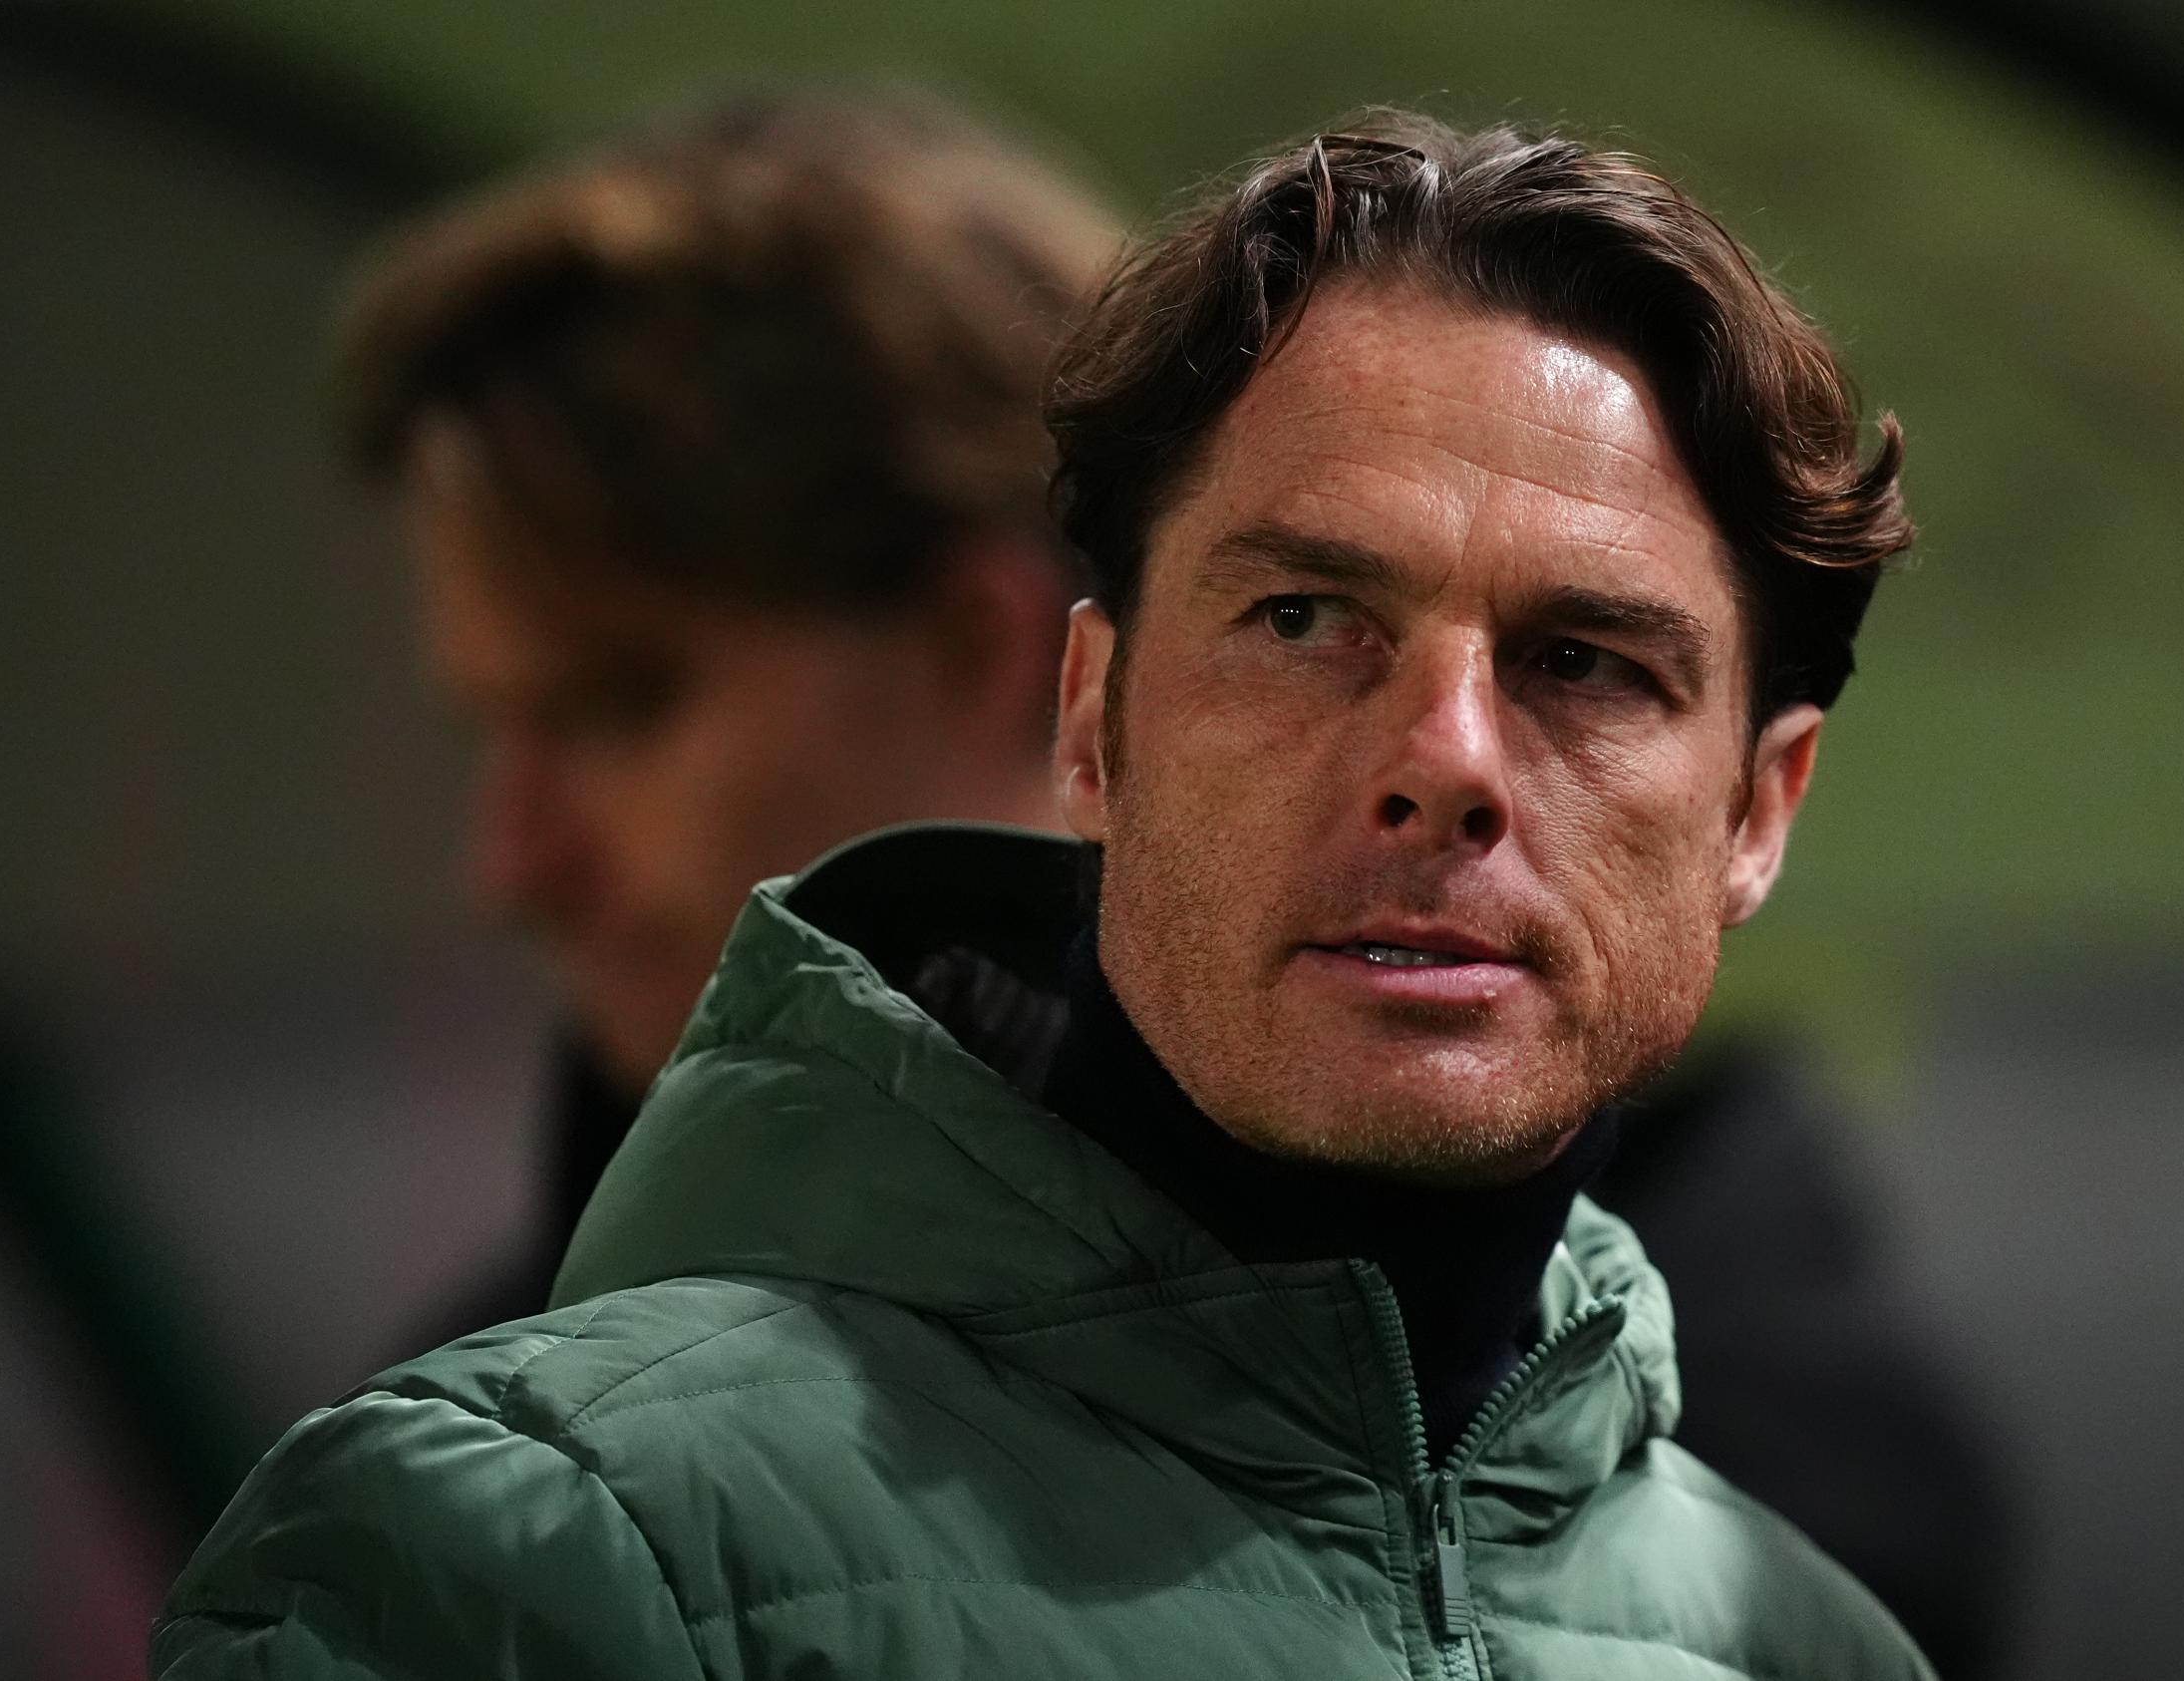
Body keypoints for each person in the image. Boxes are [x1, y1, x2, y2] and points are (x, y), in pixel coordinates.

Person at [156, 112, 1934, 1678]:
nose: (1446, 755)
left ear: (1760, 810)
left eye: (1588, 659)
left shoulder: (1799, 1601)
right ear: (1093, 712)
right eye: (1306, 620)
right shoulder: (518, 1523)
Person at [331, 88, 1121, 1343]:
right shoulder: (482, 1410)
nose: (514, 866)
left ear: (980, 646)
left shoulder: (1430, 1330)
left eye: (614, 708)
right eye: (495, 731)